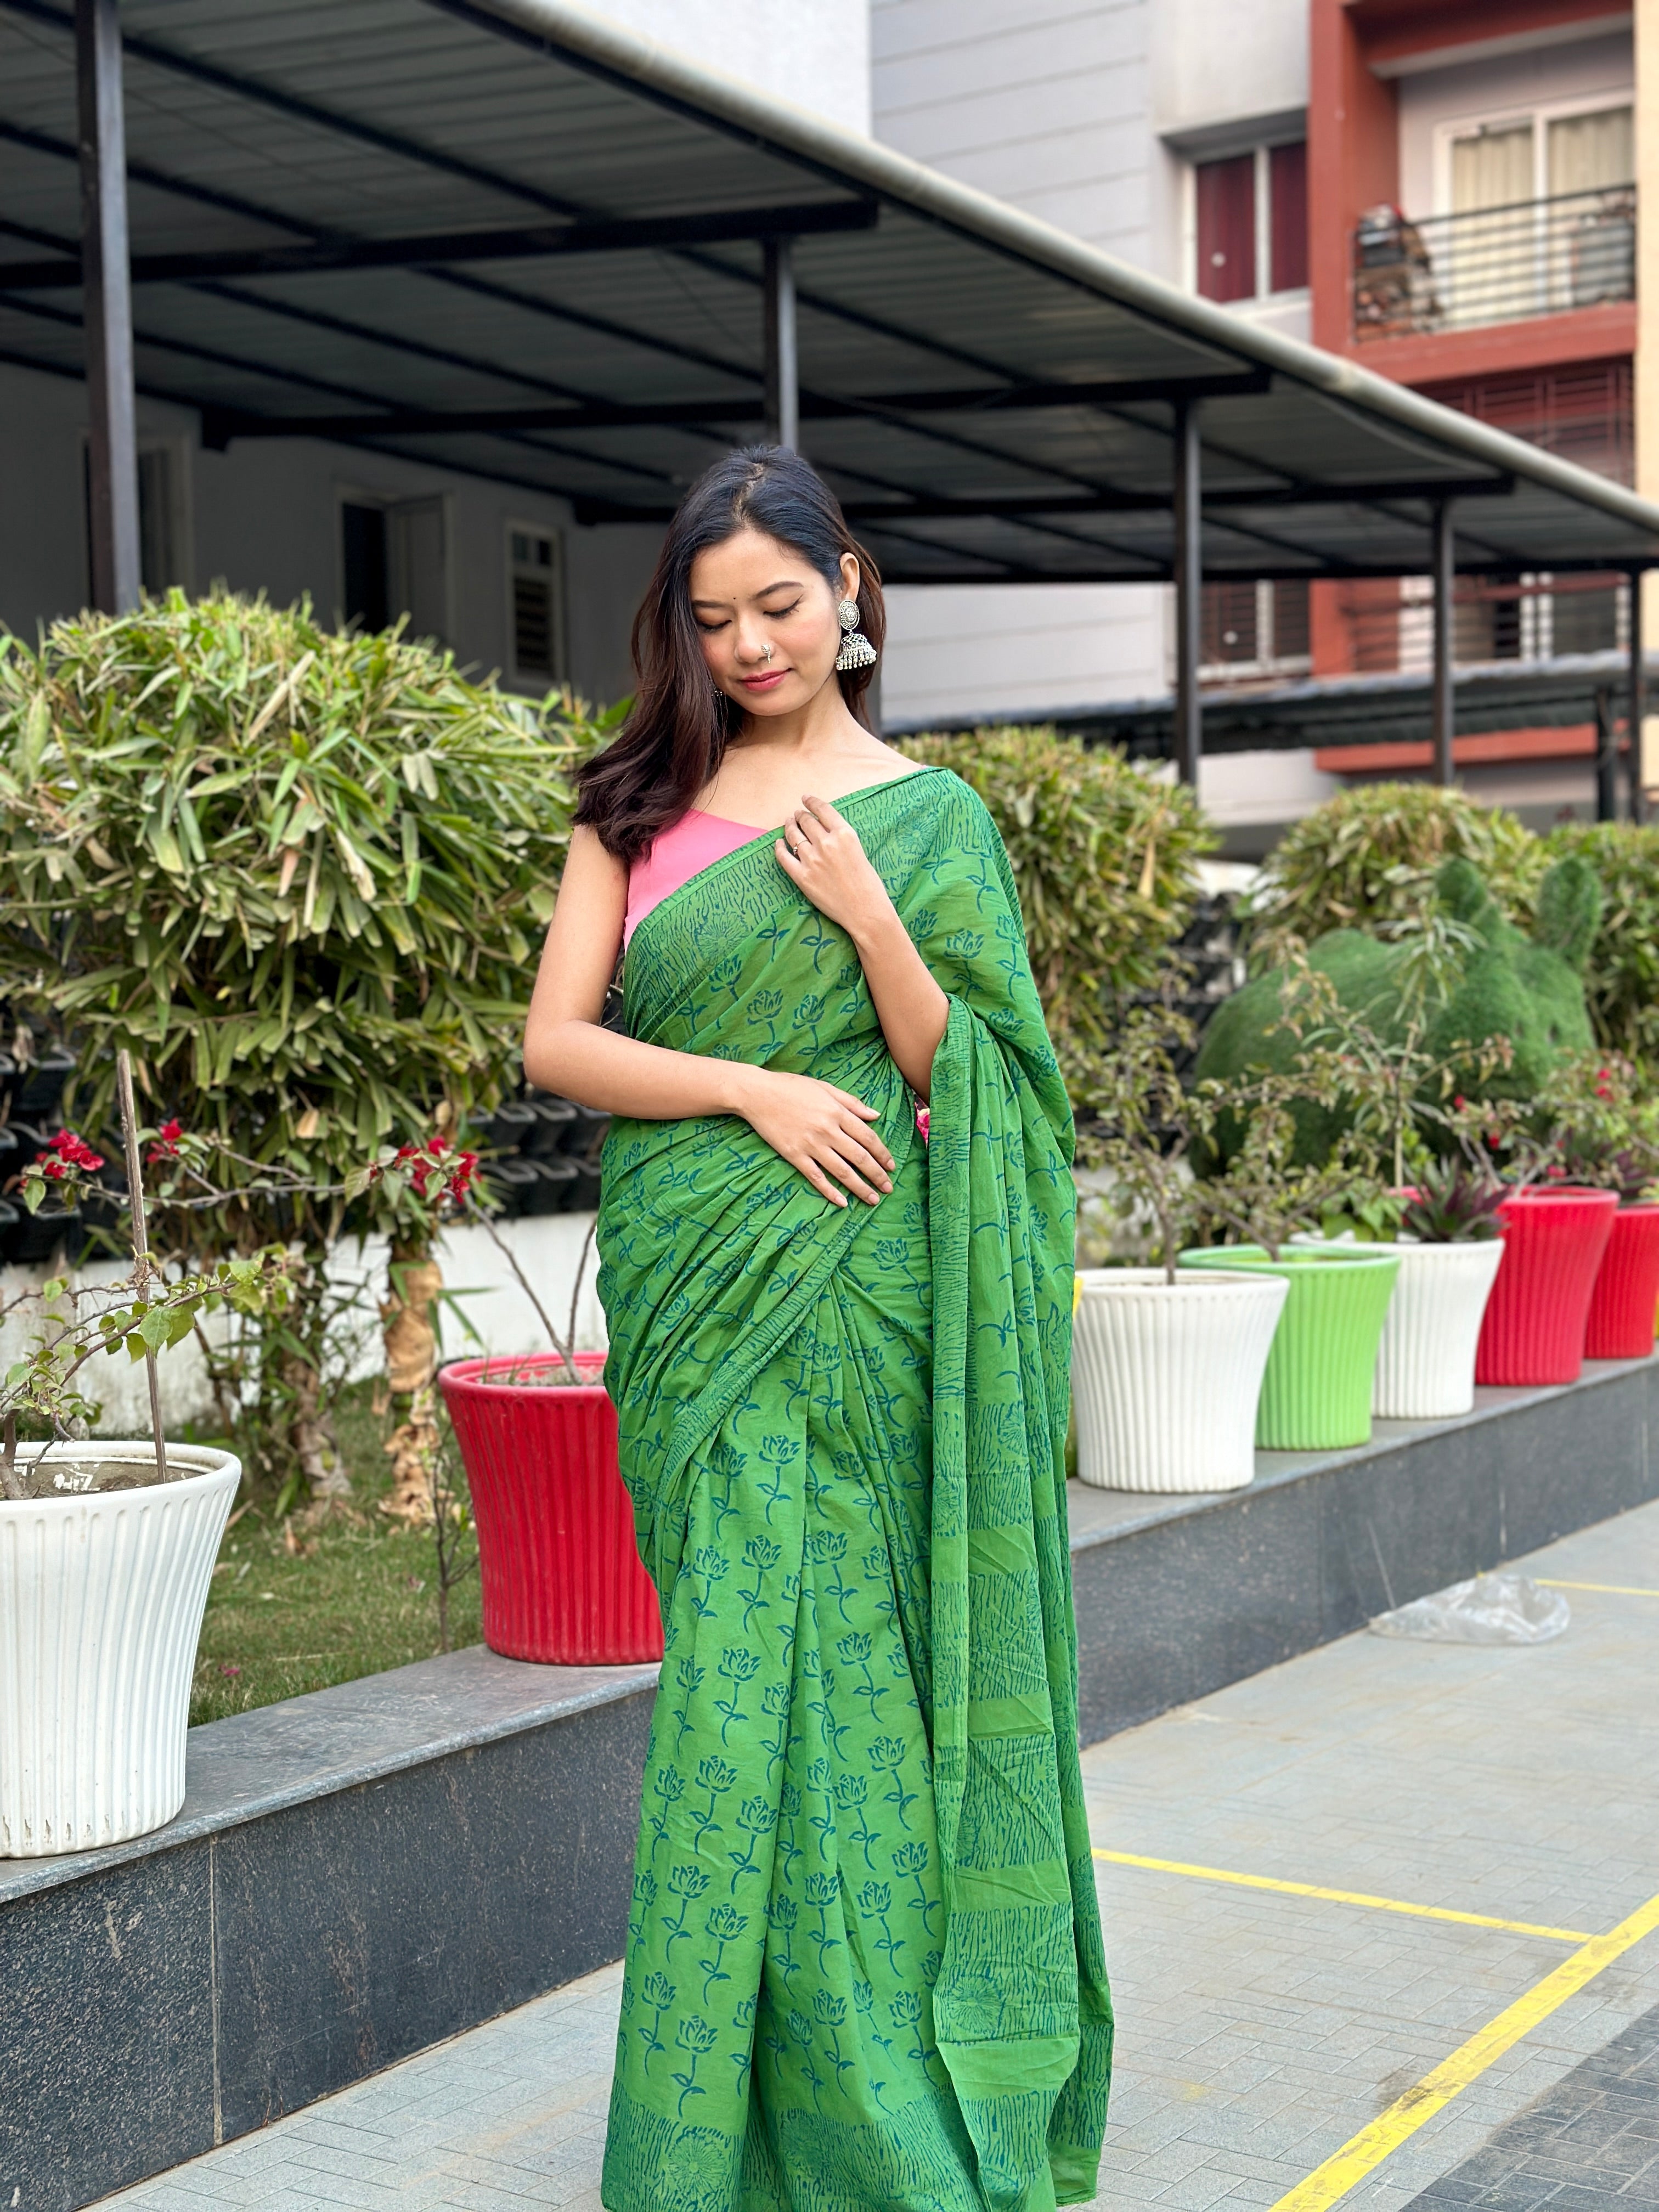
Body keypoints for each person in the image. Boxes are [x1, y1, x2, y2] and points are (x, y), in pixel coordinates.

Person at [524, 446, 1111, 2212]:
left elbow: (982, 1077)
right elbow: (559, 1044)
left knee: (854, 1713)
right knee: (734, 1710)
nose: (751, 646)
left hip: (863, 1309)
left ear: (849, 587)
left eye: (778, 605)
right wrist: (752, 1087)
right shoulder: (636, 804)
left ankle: (874, 2124)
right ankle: (726, 2124)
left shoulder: (930, 822)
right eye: (713, 620)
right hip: (701, 1309)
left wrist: (869, 921)